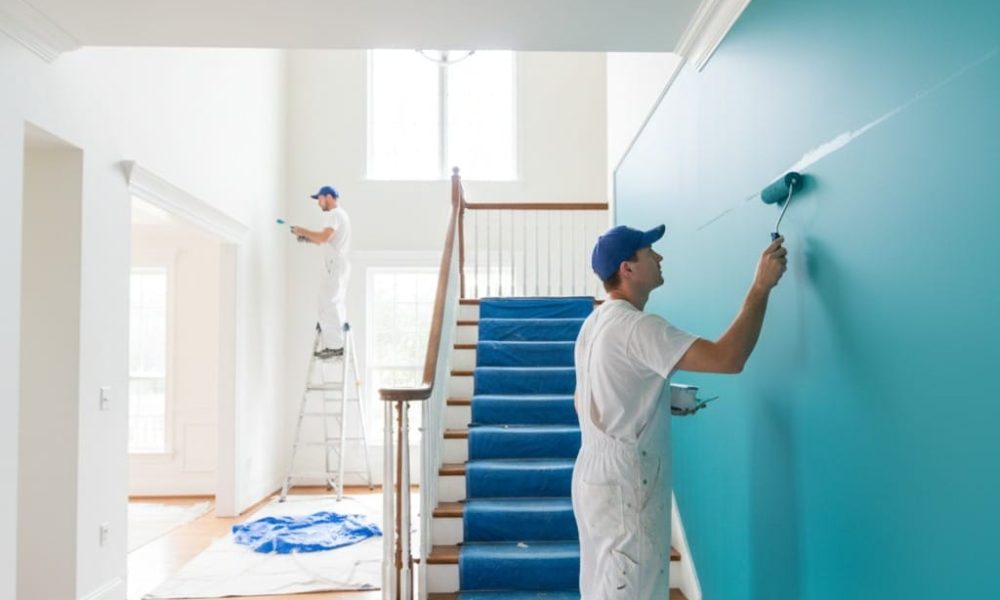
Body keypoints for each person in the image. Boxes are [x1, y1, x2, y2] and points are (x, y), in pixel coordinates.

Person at [572, 224, 787, 599]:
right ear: (627, 268)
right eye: (649, 252)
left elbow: (598, 392)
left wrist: (660, 398)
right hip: (626, 483)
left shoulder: (595, 324)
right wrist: (761, 286)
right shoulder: (637, 327)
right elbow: (728, 358)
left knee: (604, 586)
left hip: (594, 475)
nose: (659, 257)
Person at [291, 185, 352, 359]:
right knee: (335, 302)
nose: (318, 203)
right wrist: (308, 239)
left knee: (327, 302)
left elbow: (324, 237)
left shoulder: (334, 214)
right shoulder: (342, 215)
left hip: (334, 265)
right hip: (339, 264)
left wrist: (302, 230)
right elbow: (326, 241)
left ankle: (336, 346)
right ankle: (338, 343)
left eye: (320, 199)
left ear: (329, 197)